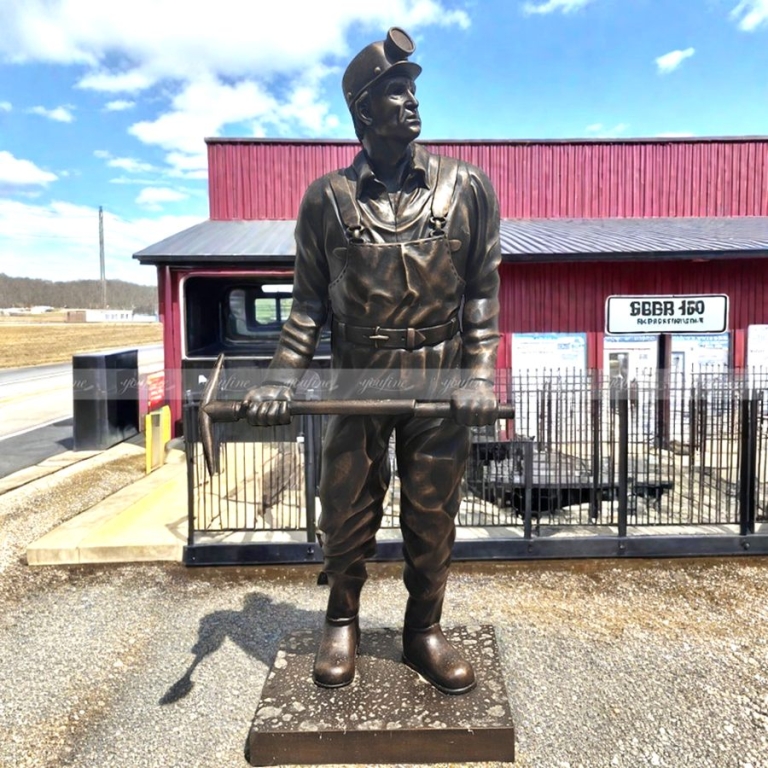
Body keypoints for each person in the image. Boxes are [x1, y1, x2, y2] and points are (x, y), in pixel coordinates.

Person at [244, 27, 501, 695]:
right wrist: (278, 380)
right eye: (395, 91)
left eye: (413, 89)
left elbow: (481, 294)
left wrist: (478, 375)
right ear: (362, 110)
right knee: (346, 505)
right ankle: (341, 621)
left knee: (432, 512)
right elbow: (307, 307)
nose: (411, 101)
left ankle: (424, 629)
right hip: (358, 377)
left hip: (440, 376)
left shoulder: (467, 188)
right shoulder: (326, 200)